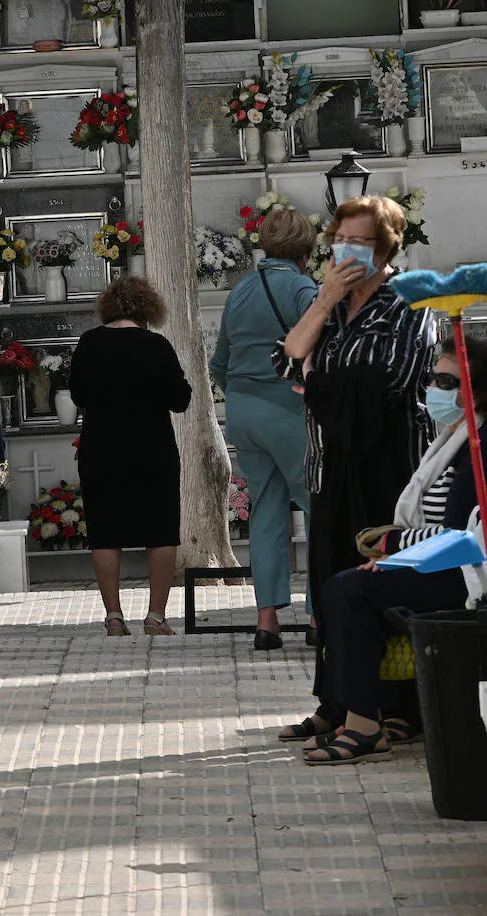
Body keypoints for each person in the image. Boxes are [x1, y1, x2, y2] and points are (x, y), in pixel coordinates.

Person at [279, 195, 436, 728]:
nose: (347, 251)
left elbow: (391, 380)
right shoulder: (332, 304)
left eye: (360, 242)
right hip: (331, 464)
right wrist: (323, 304)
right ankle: (339, 702)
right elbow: (286, 362)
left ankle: (398, 710)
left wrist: (318, 381)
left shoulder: (410, 301)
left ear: (387, 245)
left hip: (390, 464)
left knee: (384, 583)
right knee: (331, 583)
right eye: (340, 240)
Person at [290, 340, 487, 763]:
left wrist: (393, 547)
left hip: (467, 574)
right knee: (347, 585)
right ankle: (365, 711)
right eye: (433, 377)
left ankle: (364, 725)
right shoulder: (454, 437)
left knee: (349, 590)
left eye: (447, 381)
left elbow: (460, 535)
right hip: (443, 563)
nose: (433, 386)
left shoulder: (477, 444)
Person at [210, 208, 319, 650]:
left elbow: (219, 362)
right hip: (289, 412)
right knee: (320, 509)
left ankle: (266, 620)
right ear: (306, 249)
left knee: (267, 511)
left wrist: (243, 391)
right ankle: (319, 617)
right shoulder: (304, 289)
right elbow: (320, 353)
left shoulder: (241, 290)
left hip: (243, 413)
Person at [70, 276, 192, 636]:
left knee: (106, 532)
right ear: (148, 308)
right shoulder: (156, 346)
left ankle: (113, 616)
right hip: (152, 448)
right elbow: (180, 399)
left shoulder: (89, 343)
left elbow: (78, 395)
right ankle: (155, 616)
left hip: (102, 448)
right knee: (161, 530)